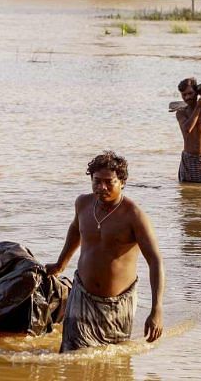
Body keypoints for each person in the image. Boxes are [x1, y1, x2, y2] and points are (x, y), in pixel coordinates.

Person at [46, 151, 165, 353]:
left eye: (109, 182)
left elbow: (155, 261)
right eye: (96, 181)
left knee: (114, 364)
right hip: (82, 295)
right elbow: (76, 230)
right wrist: (60, 264)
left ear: (122, 182)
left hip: (118, 305)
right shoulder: (83, 203)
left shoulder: (134, 215)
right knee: (71, 357)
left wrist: (156, 310)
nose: (102, 187)